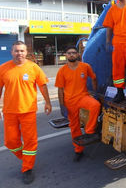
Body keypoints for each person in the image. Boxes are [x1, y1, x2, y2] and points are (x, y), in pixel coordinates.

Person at [0, 41, 52, 185]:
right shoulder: (3, 68)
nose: (19, 53)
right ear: (12, 52)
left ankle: (27, 168)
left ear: (26, 52)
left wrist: (47, 102)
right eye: (16, 51)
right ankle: (26, 158)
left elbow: (42, 85)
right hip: (9, 111)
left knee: (30, 141)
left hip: (28, 111)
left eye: (22, 51)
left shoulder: (33, 67)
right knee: (10, 142)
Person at [54, 46, 100, 162]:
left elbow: (94, 78)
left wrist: (95, 92)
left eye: (74, 53)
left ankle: (89, 132)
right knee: (74, 126)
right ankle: (78, 150)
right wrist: (61, 105)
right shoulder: (62, 70)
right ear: (66, 55)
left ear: (78, 54)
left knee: (95, 105)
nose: (71, 55)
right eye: (69, 53)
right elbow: (60, 89)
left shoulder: (85, 66)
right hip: (69, 101)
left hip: (83, 97)